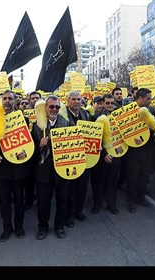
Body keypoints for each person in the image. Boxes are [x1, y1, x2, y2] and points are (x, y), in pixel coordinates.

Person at [0, 90, 30, 242]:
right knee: (4, 201)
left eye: (10, 98)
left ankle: (19, 227)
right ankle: (7, 228)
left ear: (15, 101)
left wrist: (24, 153)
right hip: (2, 169)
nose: (7, 101)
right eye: (4, 98)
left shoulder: (23, 119)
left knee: (19, 200)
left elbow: (28, 142)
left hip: (19, 168)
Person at [31, 95, 72, 240]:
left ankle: (59, 226)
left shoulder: (66, 123)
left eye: (57, 107)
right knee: (43, 201)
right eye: (51, 106)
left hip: (62, 168)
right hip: (44, 169)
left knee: (62, 200)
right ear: (45, 108)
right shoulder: (37, 125)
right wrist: (39, 144)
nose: (54, 109)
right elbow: (30, 149)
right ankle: (42, 227)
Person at [125, 88, 155, 213]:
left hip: (148, 149)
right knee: (132, 177)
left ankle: (140, 198)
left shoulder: (151, 110)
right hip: (133, 150)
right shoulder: (128, 110)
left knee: (144, 176)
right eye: (148, 98)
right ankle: (131, 201)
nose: (150, 101)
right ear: (140, 98)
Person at [65, 91, 90, 228]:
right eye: (73, 99)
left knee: (82, 188)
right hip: (69, 157)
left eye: (78, 99)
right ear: (68, 101)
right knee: (70, 189)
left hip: (85, 157)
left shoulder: (86, 114)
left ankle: (79, 212)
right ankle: (69, 215)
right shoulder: (63, 115)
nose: (76, 101)